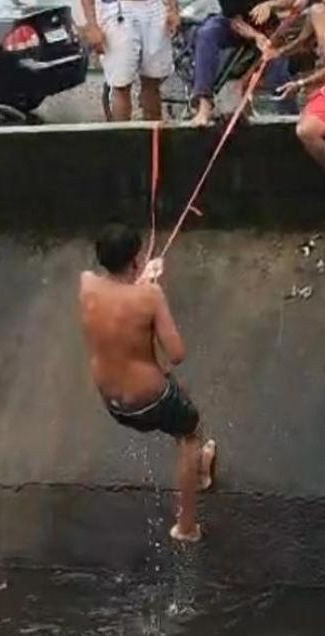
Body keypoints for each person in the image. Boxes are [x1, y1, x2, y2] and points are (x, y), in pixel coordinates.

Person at [78, 223, 216, 542]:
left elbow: (116, 304)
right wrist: (149, 291)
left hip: (112, 402)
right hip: (148, 399)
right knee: (189, 435)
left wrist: (140, 284)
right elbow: (177, 353)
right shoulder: (150, 296)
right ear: (136, 260)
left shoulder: (85, 285)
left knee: (182, 397)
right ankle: (187, 526)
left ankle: (198, 471)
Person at [266, 0, 325, 215]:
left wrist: (300, 84)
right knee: (306, 131)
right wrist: (277, 53)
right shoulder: (316, 12)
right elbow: (303, 41)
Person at [190, 0, 299, 125]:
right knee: (206, 33)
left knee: (275, 61)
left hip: (268, 25)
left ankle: (290, 113)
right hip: (234, 25)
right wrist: (256, 36)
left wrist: (270, 4)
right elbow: (235, 22)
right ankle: (204, 107)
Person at [82, 0, 181, 120]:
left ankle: (153, 136)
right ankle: (122, 137)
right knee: (121, 84)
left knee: (153, 81)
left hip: (155, 7)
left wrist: (173, 9)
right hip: (117, 8)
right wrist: (92, 25)